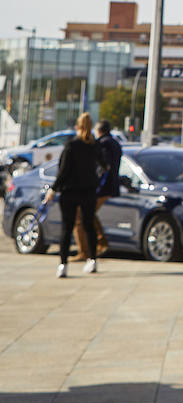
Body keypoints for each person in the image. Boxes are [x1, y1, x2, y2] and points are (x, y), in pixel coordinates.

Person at [45, 112, 106, 278]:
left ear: (77, 127)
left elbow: (63, 171)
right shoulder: (94, 145)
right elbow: (104, 165)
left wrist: (53, 189)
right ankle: (92, 261)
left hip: (70, 191)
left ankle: (63, 265)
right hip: (89, 191)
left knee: (67, 227)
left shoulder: (71, 145)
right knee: (88, 225)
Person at [75, 120, 122, 260]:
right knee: (87, 213)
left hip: (101, 187)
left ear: (99, 131)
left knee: (82, 215)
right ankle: (99, 243)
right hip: (109, 186)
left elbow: (102, 166)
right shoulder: (115, 143)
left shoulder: (103, 144)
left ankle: (88, 249)